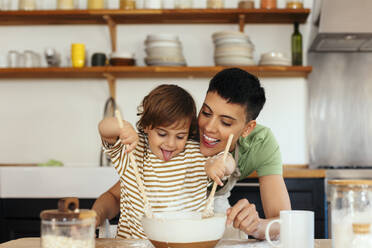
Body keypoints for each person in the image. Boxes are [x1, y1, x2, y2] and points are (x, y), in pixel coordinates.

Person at [93, 68, 291, 240]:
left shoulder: (260, 143)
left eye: (226, 122)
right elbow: (123, 192)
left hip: (209, 212)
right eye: (205, 113)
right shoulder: (179, 133)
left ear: (247, 129)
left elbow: (285, 222)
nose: (209, 128)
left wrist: (256, 226)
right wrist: (94, 217)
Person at [95, 84, 235, 239]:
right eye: (162, 134)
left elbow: (227, 161)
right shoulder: (133, 149)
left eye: (180, 136)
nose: (170, 144)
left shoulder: (196, 154)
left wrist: (219, 165)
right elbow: (104, 129)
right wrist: (121, 128)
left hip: (186, 243)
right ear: (147, 126)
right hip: (134, 244)